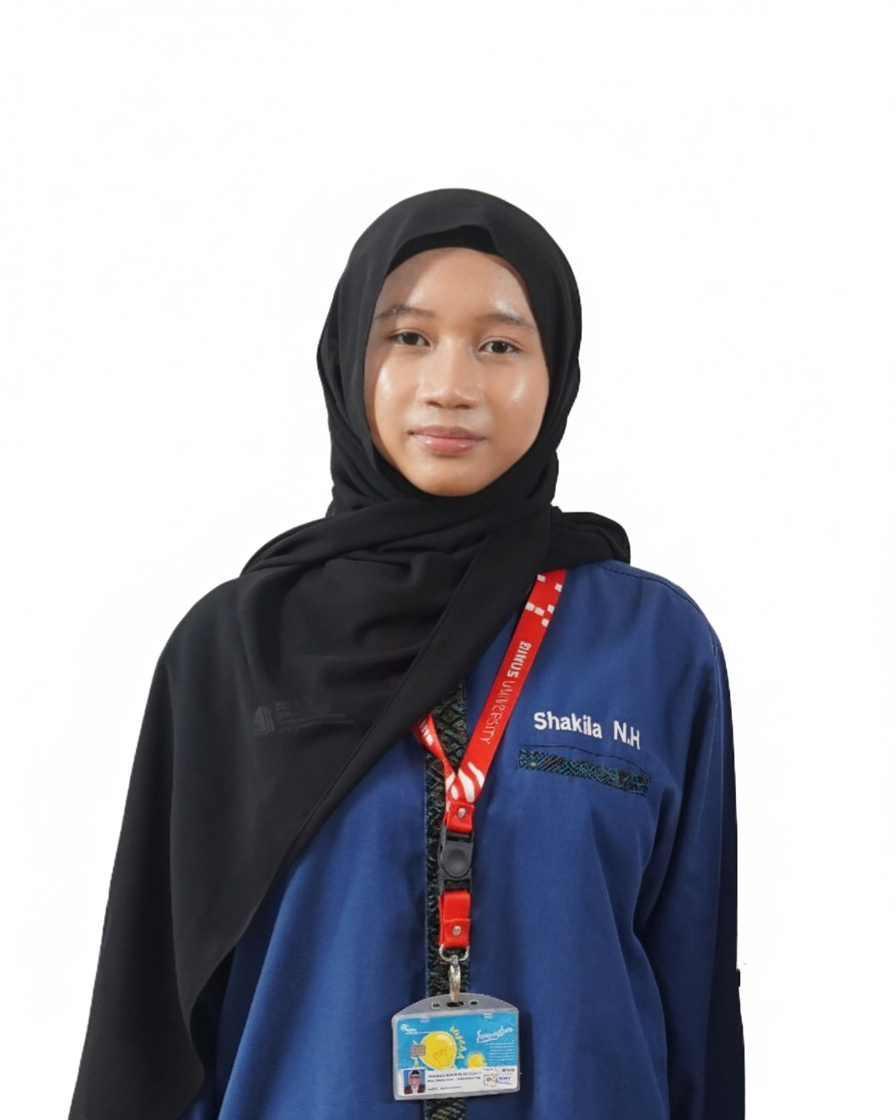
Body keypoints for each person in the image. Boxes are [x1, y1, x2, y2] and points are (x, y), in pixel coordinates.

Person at [70, 189, 743, 1120]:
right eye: (409, 337)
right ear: (349, 356)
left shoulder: (654, 645)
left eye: (500, 345)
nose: (451, 385)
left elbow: (695, 997)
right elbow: (147, 1021)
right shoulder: (230, 651)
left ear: (558, 372)